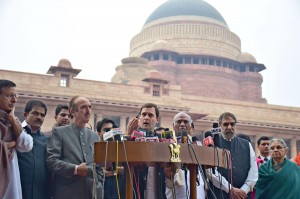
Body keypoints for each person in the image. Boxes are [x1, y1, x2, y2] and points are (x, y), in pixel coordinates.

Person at [46, 96, 103, 199]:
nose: (88, 111)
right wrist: (76, 169)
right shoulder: (59, 133)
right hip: (67, 193)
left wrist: (99, 184)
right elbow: (51, 161)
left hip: (91, 193)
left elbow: (99, 166)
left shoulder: (94, 136)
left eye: (90, 107)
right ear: (72, 111)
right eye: (83, 107)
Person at [207, 112, 258, 199]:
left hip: (243, 195)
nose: (229, 127)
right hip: (219, 195)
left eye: (232, 124)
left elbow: (253, 172)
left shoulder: (246, 144)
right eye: (226, 124)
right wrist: (230, 189)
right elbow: (211, 172)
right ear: (220, 126)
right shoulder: (212, 144)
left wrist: (243, 191)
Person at [0, 80, 33, 199]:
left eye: (15, 96)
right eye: (9, 96)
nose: (14, 100)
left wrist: (12, 120)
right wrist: (8, 145)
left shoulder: (13, 121)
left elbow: (27, 145)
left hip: (11, 182)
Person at [125, 103, 166, 199]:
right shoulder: (129, 136)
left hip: (156, 189)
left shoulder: (163, 141)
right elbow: (119, 156)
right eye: (143, 115)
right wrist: (128, 135)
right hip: (133, 189)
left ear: (157, 119)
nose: (146, 118)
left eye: (151, 115)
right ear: (139, 118)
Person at [165, 112, 205, 199]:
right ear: (173, 125)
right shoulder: (168, 144)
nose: (182, 124)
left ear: (190, 125)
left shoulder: (198, 144)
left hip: (198, 191)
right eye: (179, 122)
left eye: (185, 122)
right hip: (177, 192)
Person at [17, 100, 49, 199]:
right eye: (35, 113)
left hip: (41, 193)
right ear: (25, 114)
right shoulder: (14, 134)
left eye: (42, 115)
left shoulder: (47, 140)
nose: (39, 117)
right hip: (18, 191)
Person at [96, 118, 121, 199]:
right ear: (99, 133)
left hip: (116, 184)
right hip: (99, 184)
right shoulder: (94, 148)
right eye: (106, 130)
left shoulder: (120, 148)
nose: (109, 132)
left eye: (111, 130)